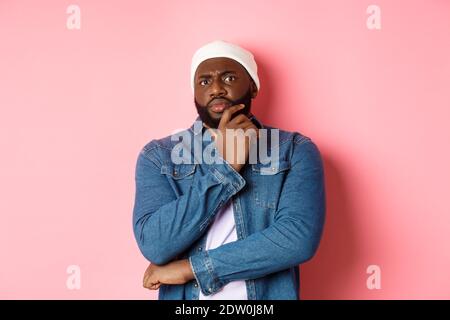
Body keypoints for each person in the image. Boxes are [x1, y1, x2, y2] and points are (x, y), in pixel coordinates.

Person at [133, 40, 326, 300]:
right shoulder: (160, 156)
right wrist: (225, 168)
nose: (215, 88)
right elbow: (155, 245)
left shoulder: (294, 150)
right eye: (204, 82)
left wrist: (192, 268)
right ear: (194, 92)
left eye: (229, 77)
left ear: (253, 87)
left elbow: (297, 239)